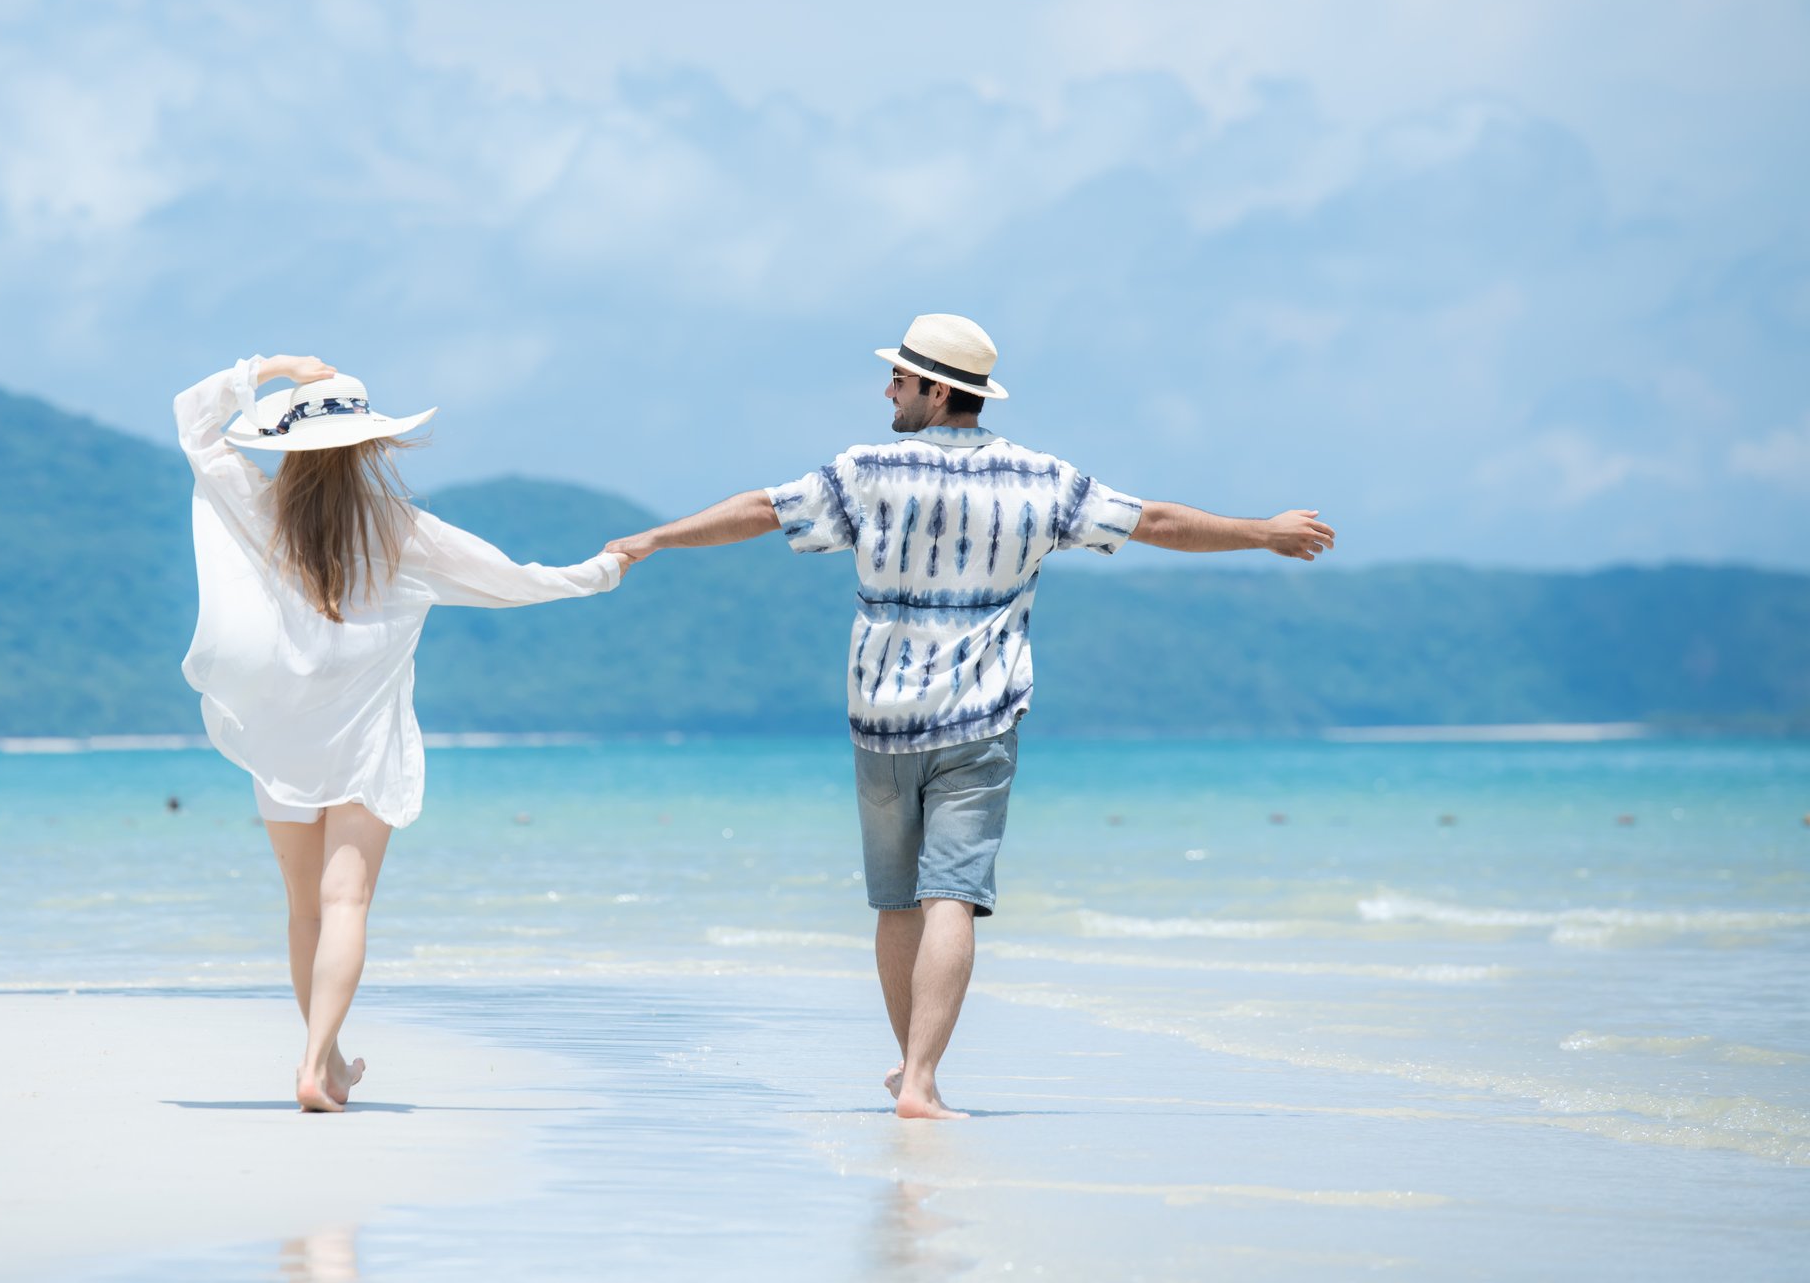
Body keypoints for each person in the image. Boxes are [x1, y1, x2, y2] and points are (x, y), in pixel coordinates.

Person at [604, 314, 1334, 1120]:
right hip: (980, 722)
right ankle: (918, 1077)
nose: (888, 389)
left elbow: (761, 509)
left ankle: (912, 1070)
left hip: (880, 719)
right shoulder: (1039, 478)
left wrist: (656, 539)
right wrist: (1262, 532)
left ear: (938, 390)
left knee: (895, 902)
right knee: (950, 895)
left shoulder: (868, 469)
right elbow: (1152, 522)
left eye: (901, 379)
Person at [176, 353, 624, 1111]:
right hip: (363, 740)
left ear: (288, 446)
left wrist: (272, 367)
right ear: (371, 446)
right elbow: (514, 580)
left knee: (305, 908)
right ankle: (318, 1061)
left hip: (283, 737)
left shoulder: (258, 509)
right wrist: (603, 569)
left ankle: (328, 1061)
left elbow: (193, 419)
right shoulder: (406, 532)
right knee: (345, 902)